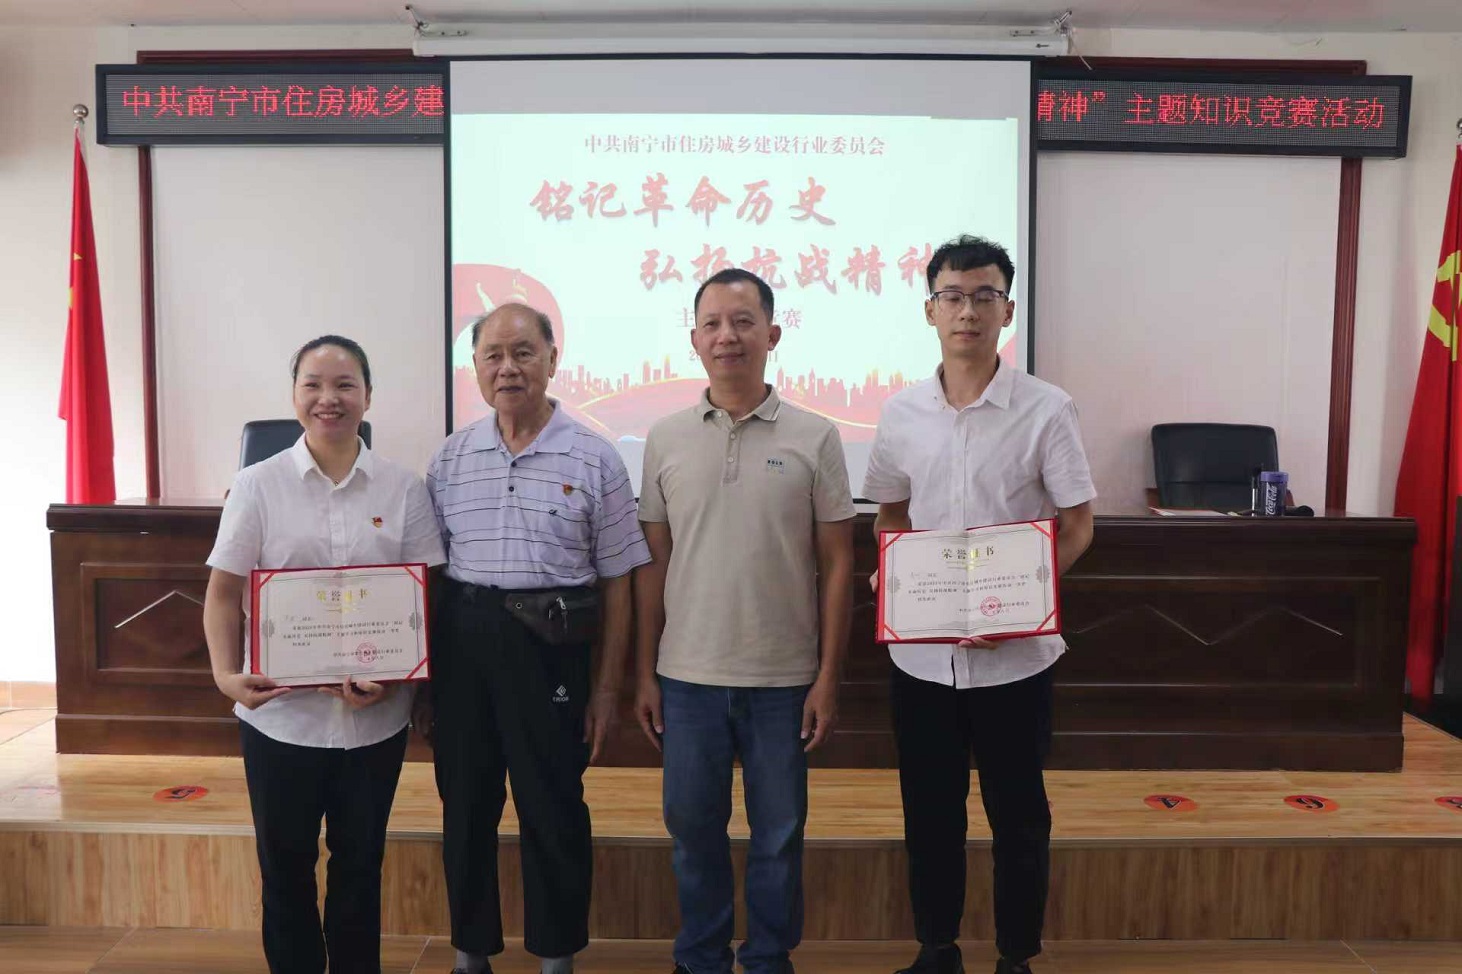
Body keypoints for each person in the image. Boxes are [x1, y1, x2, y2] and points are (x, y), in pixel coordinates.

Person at [864, 236, 1096, 974]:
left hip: (1015, 660)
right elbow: (890, 517)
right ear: (930, 310)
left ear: (1007, 310)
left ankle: (1015, 957)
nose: (968, 311)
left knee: (1018, 815)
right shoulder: (900, 413)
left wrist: (1020, 607)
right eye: (954, 297)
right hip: (924, 659)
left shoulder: (1046, 409)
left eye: (984, 296)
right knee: (930, 813)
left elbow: (1078, 523)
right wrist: (894, 577)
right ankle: (937, 949)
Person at [635, 267, 856, 974]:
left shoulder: (816, 436)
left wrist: (827, 677)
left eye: (743, 321)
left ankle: (767, 959)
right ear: (695, 340)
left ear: (773, 333)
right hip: (687, 677)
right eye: (712, 324)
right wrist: (643, 673)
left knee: (779, 838)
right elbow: (652, 566)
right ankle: (700, 958)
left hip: (783, 679)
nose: (727, 336)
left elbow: (839, 564)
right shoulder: (664, 438)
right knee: (692, 834)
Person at [203, 335, 446, 974]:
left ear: (368, 396)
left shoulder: (403, 488)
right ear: (294, 395)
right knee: (285, 869)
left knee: (360, 866)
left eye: (344, 385)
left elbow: (423, 598)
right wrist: (226, 676)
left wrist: (396, 678)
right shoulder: (256, 486)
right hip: (281, 720)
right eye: (313, 384)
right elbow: (222, 595)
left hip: (375, 723)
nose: (328, 398)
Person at [425, 303, 650, 974]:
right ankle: (470, 953)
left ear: (553, 359)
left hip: (552, 647)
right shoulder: (450, 457)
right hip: (465, 644)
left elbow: (619, 581)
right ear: (474, 367)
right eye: (492, 355)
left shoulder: (595, 457)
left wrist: (606, 690)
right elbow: (428, 575)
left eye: (523, 352)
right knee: (465, 804)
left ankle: (557, 955)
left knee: (552, 805)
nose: (508, 368)